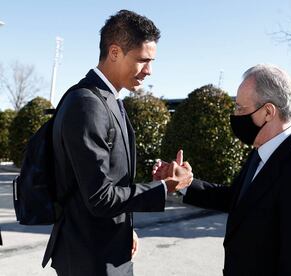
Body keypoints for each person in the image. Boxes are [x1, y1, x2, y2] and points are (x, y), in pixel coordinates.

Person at [42, 10, 192, 276]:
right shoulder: (88, 104)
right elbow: (100, 197)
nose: (149, 70)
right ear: (114, 52)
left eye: (152, 61)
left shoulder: (107, 100)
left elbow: (105, 184)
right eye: (142, 60)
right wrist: (163, 188)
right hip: (90, 259)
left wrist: (126, 228)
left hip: (106, 249)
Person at [154, 64, 291, 276]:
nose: (235, 116)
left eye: (240, 109)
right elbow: (237, 200)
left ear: (268, 112)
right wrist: (186, 183)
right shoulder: (262, 151)